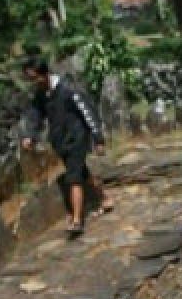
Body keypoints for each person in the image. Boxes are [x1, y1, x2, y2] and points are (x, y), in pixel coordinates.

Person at [21, 58, 113, 236]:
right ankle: (105, 198)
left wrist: (98, 139)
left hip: (77, 138)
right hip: (60, 141)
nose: (33, 83)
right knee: (81, 172)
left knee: (73, 177)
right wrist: (29, 136)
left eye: (34, 78)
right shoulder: (41, 95)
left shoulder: (68, 90)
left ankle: (77, 220)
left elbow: (88, 112)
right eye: (29, 79)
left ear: (44, 74)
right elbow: (35, 115)